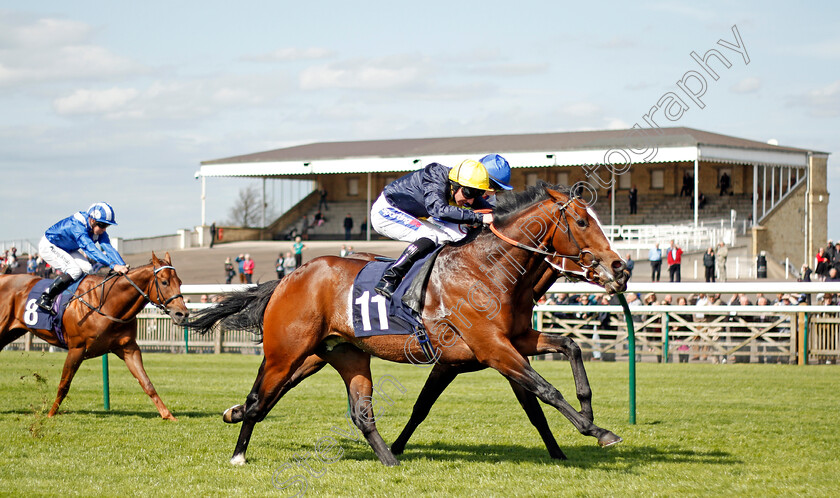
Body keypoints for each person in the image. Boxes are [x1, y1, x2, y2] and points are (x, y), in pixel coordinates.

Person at [370, 157, 497, 298]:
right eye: (469, 193)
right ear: (455, 184)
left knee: (458, 235)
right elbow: (438, 210)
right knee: (429, 236)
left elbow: (490, 210)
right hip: (387, 211)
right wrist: (479, 217)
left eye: (477, 194)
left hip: (411, 214)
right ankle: (390, 278)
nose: (471, 200)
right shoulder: (434, 176)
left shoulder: (461, 184)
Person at [36, 202, 129, 314]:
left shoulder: (96, 227)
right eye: (103, 225)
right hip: (50, 245)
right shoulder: (77, 226)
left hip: (66, 248)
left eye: (107, 226)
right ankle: (46, 297)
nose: (104, 229)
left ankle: (76, 298)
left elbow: (108, 248)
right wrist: (113, 265)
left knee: (88, 269)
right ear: (92, 220)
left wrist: (122, 265)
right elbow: (90, 249)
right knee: (75, 271)